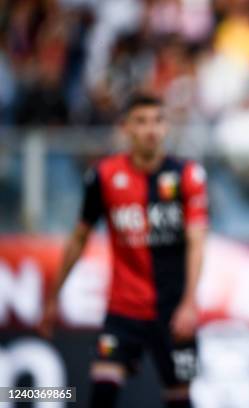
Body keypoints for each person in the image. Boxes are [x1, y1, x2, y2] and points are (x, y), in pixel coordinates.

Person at [39, 94, 208, 408]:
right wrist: (53, 296)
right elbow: (79, 238)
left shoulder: (188, 176)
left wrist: (189, 303)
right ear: (126, 128)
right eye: (141, 121)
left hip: (172, 312)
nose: (150, 130)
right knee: (102, 394)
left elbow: (197, 242)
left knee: (179, 399)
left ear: (166, 127)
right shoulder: (103, 177)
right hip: (123, 310)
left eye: (157, 121)